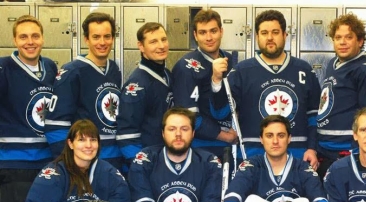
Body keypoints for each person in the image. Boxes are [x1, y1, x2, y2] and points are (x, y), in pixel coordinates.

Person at [211, 9, 321, 170]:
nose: (269, 37)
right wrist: (216, 81)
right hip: (251, 156)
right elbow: (221, 113)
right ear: (257, 37)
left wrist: (312, 148)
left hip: (297, 156)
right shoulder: (242, 71)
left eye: (275, 32)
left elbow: (314, 115)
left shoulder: (303, 69)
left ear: (285, 35)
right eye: (264, 33)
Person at [0, 14, 57, 202]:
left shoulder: (49, 67)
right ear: (14, 40)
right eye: (23, 36)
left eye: (35, 35)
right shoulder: (4, 68)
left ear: (43, 37)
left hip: (45, 160)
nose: (30, 41)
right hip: (14, 161)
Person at [45, 12, 124, 171]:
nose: (102, 42)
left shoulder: (114, 69)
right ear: (86, 39)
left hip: (113, 159)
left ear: (113, 38)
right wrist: (69, 163)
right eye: (96, 37)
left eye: (107, 36)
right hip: (85, 160)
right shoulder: (72, 72)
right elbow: (55, 125)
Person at [316, 13, 366, 178]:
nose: (342, 42)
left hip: (348, 151)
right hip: (325, 150)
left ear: (360, 41)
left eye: (349, 37)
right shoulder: (332, 64)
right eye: (338, 37)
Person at [171, 9, 237, 158]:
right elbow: (187, 115)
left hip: (231, 145)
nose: (209, 37)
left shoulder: (229, 59)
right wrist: (225, 136)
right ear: (195, 35)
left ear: (221, 31)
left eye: (213, 31)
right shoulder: (186, 66)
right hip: (201, 146)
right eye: (202, 32)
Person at [117, 22, 174, 168]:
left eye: (163, 39)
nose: (161, 46)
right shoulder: (136, 85)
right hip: (149, 164)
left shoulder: (167, 75)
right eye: (153, 41)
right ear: (141, 46)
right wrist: (141, 167)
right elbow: (126, 136)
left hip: (166, 159)